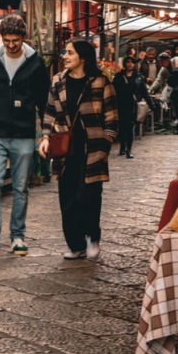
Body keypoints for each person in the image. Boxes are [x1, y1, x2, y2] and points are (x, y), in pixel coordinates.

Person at [0, 13, 50, 260]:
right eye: (7, 40)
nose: (11, 45)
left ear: (23, 38)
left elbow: (43, 95)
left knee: (20, 187)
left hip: (23, 132)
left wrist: (42, 126)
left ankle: (18, 236)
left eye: (15, 40)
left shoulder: (35, 62)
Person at [39, 39, 118, 260]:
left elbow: (112, 118)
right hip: (66, 148)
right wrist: (45, 138)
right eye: (65, 51)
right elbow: (49, 112)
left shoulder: (101, 82)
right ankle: (75, 244)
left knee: (90, 196)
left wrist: (105, 145)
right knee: (68, 198)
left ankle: (92, 236)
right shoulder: (58, 81)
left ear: (82, 57)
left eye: (70, 52)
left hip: (93, 147)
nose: (65, 55)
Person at [113, 55, 154, 158]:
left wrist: (151, 105)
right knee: (122, 127)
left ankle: (129, 150)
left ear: (134, 64)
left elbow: (144, 93)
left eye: (131, 62)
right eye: (128, 62)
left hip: (133, 105)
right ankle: (122, 147)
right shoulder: (118, 77)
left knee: (131, 127)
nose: (129, 64)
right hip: (121, 104)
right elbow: (112, 90)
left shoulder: (138, 77)